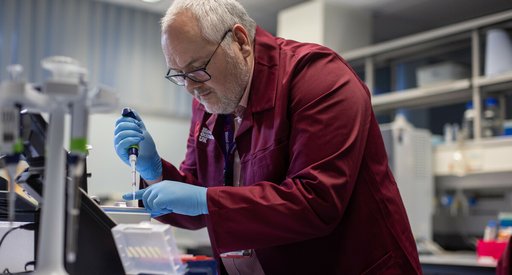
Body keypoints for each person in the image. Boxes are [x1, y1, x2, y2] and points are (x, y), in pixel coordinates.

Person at [114, 0, 422, 274]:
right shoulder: (210, 100)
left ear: (240, 42)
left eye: (197, 69)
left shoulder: (319, 78)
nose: (191, 88)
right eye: (178, 75)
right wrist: (154, 172)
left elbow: (315, 203)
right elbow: (198, 201)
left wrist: (206, 200)